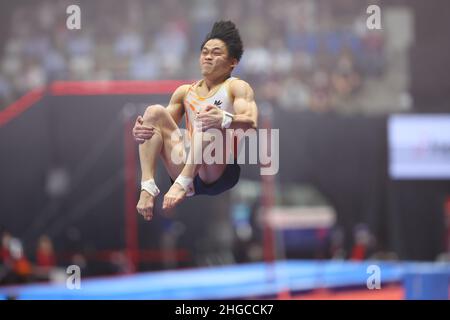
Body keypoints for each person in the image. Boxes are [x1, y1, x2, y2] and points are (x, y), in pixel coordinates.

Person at [132, 21, 258, 221]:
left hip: (220, 169)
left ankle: (182, 183)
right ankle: (147, 187)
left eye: (216, 53)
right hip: (191, 162)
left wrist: (224, 118)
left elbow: (251, 122)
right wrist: (142, 130)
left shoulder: (237, 87)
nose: (208, 56)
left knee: (209, 117)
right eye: (205, 52)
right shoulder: (185, 92)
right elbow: (159, 130)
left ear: (232, 62)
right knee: (153, 112)